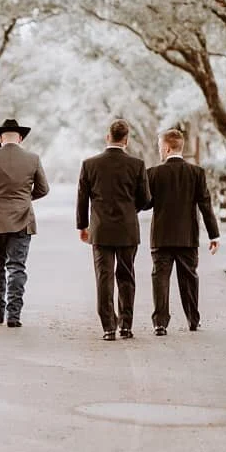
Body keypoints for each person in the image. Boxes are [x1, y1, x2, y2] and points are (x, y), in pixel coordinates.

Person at [77, 120, 151, 341]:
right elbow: (146, 200)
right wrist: (130, 210)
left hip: (100, 230)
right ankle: (126, 326)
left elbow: (82, 199)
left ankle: (108, 327)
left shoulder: (90, 164)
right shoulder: (137, 165)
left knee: (104, 277)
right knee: (126, 276)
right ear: (126, 140)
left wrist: (83, 226)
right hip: (128, 230)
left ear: (107, 137)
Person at [0, 118, 50, 327]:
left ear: (0, 138)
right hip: (22, 218)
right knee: (16, 267)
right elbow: (43, 189)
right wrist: (24, 199)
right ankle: (14, 315)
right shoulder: (32, 158)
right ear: (20, 138)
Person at [145, 129, 220, 335]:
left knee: (160, 279)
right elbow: (206, 205)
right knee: (189, 278)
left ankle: (160, 323)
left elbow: (146, 204)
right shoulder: (197, 173)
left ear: (167, 148)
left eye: (160, 146)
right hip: (187, 237)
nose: (159, 150)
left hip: (161, 237)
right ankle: (192, 320)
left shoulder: (153, 173)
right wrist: (214, 235)